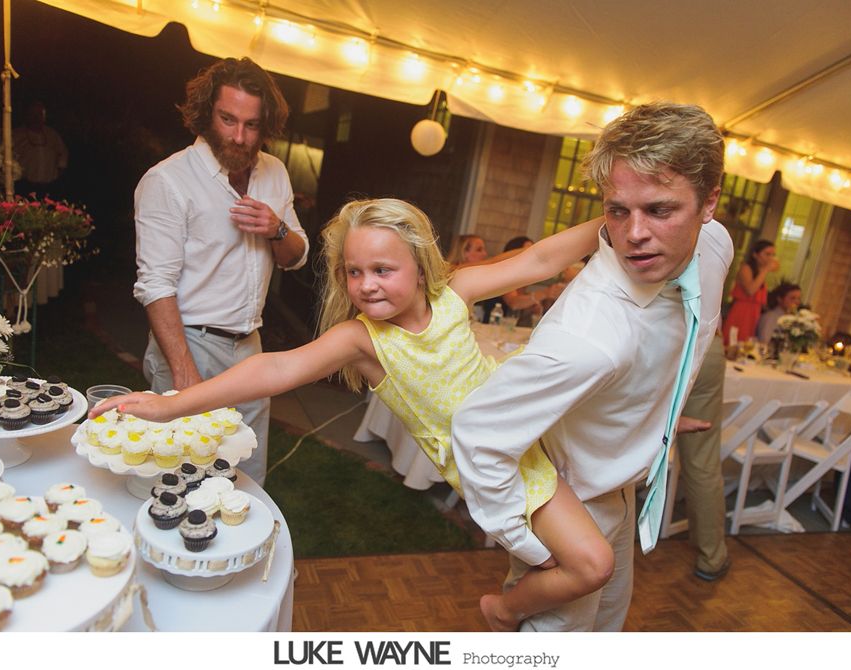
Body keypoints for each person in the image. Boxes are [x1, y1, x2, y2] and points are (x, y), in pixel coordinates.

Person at [95, 198, 614, 632]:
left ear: (419, 265)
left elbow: (542, 257)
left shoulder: (455, 294)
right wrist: (169, 405)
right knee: (591, 566)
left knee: (584, 553)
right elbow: (275, 369)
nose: (366, 285)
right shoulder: (362, 339)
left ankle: (515, 599)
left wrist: (617, 213)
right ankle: (503, 610)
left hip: (528, 439)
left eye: (383, 270)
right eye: (354, 272)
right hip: (495, 471)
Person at [451, 102, 734, 631]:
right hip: (569, 497)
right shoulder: (590, 336)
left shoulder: (715, 246)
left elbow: (678, 343)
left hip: (619, 483)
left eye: (659, 210)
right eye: (617, 211)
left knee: (605, 631)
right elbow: (476, 432)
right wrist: (532, 548)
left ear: (709, 202)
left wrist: (661, 419)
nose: (634, 234)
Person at [132, 57, 309, 486]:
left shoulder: (276, 171)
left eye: (252, 125)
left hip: (250, 347)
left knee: (243, 476)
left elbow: (296, 255)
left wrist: (276, 228)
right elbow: (156, 286)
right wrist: (185, 375)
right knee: (176, 477)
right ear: (206, 113)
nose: (239, 136)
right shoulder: (168, 181)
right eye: (228, 119)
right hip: (191, 340)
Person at [675, 337, 730, 581]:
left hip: (655, 337)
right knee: (702, 460)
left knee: (624, 436)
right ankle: (712, 556)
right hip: (704, 342)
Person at [722, 239, 779, 345]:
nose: (770, 258)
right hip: (742, 311)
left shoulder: (760, 271)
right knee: (733, 342)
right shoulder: (746, 268)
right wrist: (766, 269)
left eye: (773, 254)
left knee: (746, 344)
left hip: (754, 313)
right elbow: (750, 290)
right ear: (755, 254)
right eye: (767, 254)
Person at [13, 100, 69, 198]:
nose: (36, 118)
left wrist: (59, 173)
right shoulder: (16, 135)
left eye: (39, 114)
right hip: (25, 187)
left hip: (49, 187)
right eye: (33, 114)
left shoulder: (52, 135)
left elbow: (63, 154)